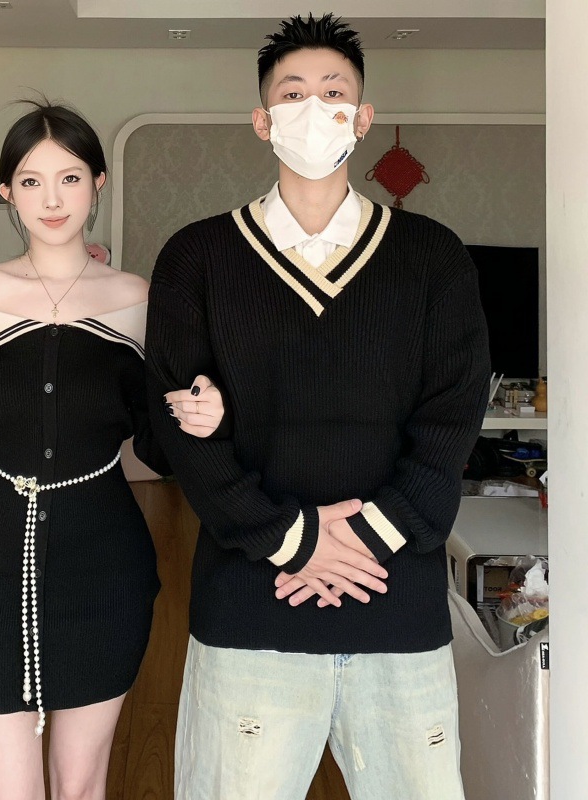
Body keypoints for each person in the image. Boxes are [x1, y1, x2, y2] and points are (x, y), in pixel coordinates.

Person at [146, 13, 490, 800]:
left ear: (362, 119)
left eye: (334, 94)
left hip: (396, 605)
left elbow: (450, 425)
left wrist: (355, 542)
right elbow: (174, 430)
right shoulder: (197, 257)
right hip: (251, 608)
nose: (314, 109)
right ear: (262, 120)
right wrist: (291, 539)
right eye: (293, 93)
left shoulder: (431, 257)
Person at [0, 100, 224, 800]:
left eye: (70, 178)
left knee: (81, 788)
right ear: (7, 192)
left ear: (97, 183)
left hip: (107, 579)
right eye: (31, 181)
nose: (51, 200)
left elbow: (157, 447)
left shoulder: (137, 301)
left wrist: (202, 418)